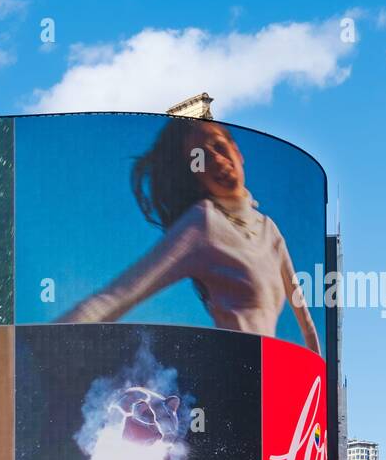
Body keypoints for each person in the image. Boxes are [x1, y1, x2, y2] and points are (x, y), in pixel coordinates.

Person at [60, 117, 321, 353]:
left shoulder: (268, 228)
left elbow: (304, 316)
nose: (216, 160)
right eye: (201, 158)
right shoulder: (203, 222)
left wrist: (320, 375)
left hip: (272, 376)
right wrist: (40, 341)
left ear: (238, 153)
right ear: (194, 175)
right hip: (235, 376)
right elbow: (118, 296)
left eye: (219, 147)